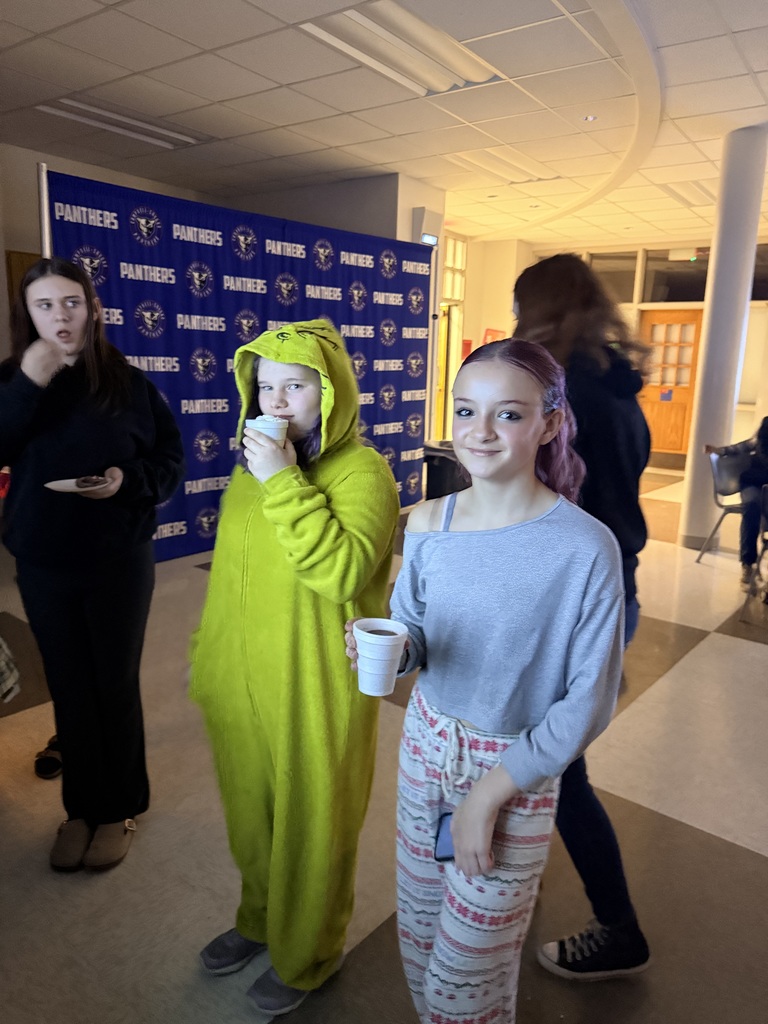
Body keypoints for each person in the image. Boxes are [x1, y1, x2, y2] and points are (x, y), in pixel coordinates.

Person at [346, 339, 625, 1024]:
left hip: (512, 775)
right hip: (424, 754)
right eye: (466, 410)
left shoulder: (584, 548)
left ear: (549, 424)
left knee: (461, 982)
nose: (480, 430)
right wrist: (388, 650)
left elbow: (587, 704)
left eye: (508, 414)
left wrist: (489, 795)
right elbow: (413, 633)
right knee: (419, 950)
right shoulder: (430, 522)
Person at [189, 319, 400, 1016]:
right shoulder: (254, 468)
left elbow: (341, 572)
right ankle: (259, 922)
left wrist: (282, 479)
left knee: (314, 828)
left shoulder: (363, 472)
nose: (276, 402)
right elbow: (233, 574)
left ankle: (307, 954)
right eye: (266, 386)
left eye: (297, 386)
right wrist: (210, 660)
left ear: (331, 391)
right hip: (243, 680)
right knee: (254, 818)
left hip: (316, 687)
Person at [0, 257, 185, 871]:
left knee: (112, 684)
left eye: (71, 303)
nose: (61, 317)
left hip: (117, 558)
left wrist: (124, 481)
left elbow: (168, 461)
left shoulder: (128, 384)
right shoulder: (13, 379)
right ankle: (81, 809)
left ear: (92, 307)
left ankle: (120, 808)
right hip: (43, 558)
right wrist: (31, 379)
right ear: (27, 315)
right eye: (45, 305)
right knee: (70, 687)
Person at [514, 252, 651, 980]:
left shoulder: (568, 398)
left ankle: (619, 927)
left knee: (561, 772)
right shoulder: (618, 385)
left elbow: (539, 513)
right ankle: (515, 875)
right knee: (547, 762)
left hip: (572, 610)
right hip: (613, 595)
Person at [704, 416, 768, 590]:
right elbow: (740, 448)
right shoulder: (763, 433)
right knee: (752, 506)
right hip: (753, 483)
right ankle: (748, 564)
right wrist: (718, 450)